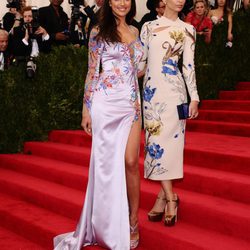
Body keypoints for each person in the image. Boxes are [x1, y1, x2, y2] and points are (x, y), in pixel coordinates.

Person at [53, 0, 143, 249]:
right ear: (109, 2)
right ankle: (106, 224)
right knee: (106, 167)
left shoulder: (135, 31)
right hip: (105, 103)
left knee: (131, 162)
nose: (122, 3)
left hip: (131, 103)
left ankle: (133, 220)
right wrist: (86, 109)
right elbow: (92, 71)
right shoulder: (97, 31)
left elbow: (137, 69)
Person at [139, 0, 199, 226]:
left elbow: (189, 66)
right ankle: (169, 196)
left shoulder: (188, 29)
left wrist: (194, 97)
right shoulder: (148, 27)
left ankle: (166, 197)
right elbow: (141, 64)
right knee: (155, 144)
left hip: (175, 94)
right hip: (152, 94)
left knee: (171, 146)